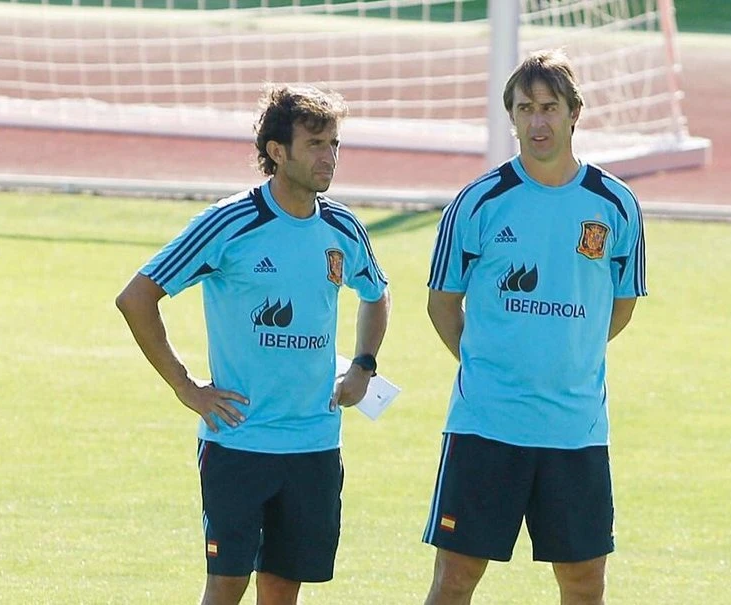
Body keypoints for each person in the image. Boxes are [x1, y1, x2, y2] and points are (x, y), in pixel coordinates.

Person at [115, 84, 390, 605]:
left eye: (334, 143)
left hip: (314, 443)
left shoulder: (343, 227)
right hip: (239, 442)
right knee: (227, 585)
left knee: (284, 587)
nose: (329, 157)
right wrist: (186, 386)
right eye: (315, 144)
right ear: (277, 151)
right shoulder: (230, 223)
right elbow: (136, 298)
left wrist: (363, 366)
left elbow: (376, 294)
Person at [421, 49, 647, 605]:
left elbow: (621, 306)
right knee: (455, 577)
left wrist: (569, 351)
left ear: (575, 113)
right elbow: (442, 304)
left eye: (549, 108)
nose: (537, 122)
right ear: (512, 117)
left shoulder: (616, 205)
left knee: (584, 582)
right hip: (487, 423)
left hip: (575, 428)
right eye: (525, 109)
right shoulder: (479, 202)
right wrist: (488, 362)